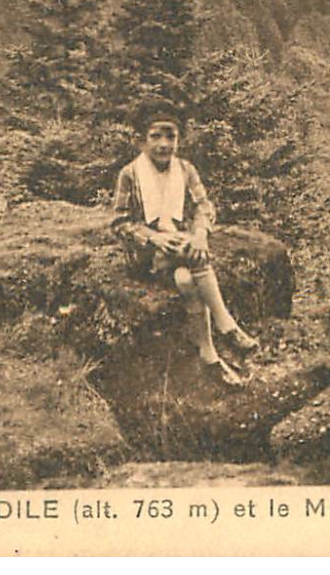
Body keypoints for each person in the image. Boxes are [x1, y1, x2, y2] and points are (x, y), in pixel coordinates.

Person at [111, 104, 261, 388]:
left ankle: (209, 355)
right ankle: (226, 323)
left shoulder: (186, 170)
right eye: (156, 136)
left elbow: (204, 206)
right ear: (142, 141)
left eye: (171, 136)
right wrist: (153, 237)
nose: (164, 144)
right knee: (192, 257)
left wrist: (200, 234)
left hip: (180, 251)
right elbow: (119, 222)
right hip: (146, 254)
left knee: (185, 278)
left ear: (179, 140)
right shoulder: (129, 174)